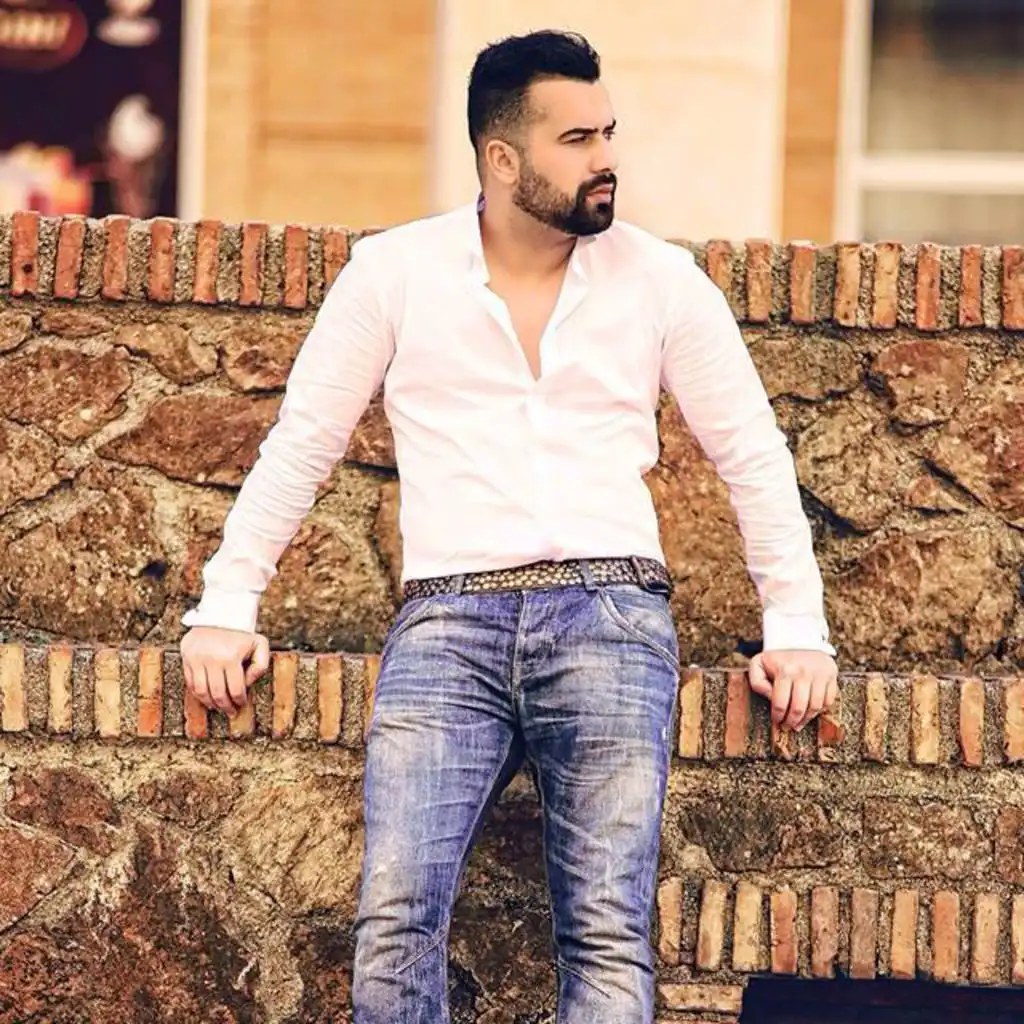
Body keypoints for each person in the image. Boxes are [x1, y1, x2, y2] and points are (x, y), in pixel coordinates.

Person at [180, 29, 839, 1024]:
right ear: (501, 157)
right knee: (395, 920)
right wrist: (228, 603)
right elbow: (302, 444)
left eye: (607, 132)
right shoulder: (394, 273)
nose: (605, 157)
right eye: (576, 139)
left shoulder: (661, 281)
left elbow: (751, 453)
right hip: (448, 621)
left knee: (606, 929)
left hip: (611, 613)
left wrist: (796, 627)